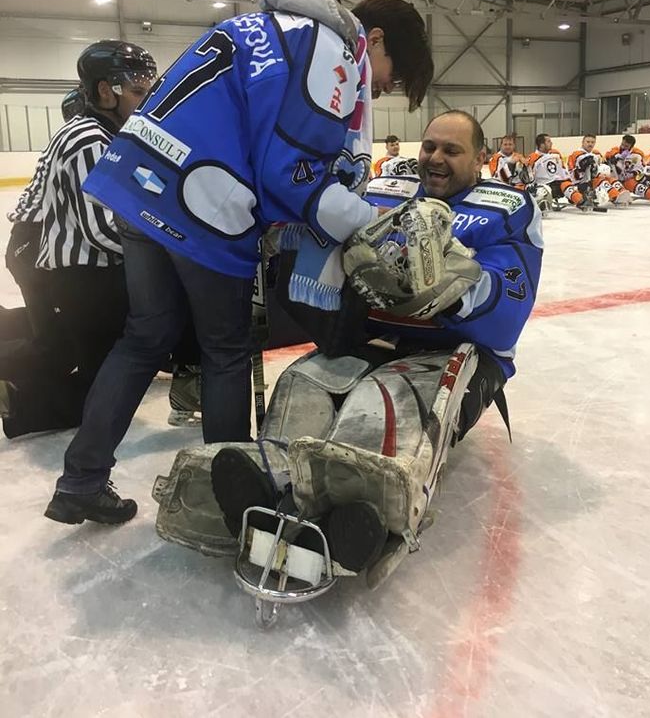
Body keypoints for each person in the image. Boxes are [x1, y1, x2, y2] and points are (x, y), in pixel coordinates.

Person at [45, 0, 434, 527]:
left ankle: (80, 481)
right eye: (395, 79)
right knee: (225, 350)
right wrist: (373, 222)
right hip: (200, 203)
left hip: (141, 186)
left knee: (142, 340)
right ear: (374, 39)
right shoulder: (333, 52)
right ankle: (231, 501)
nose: (384, 90)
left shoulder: (264, 27)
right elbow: (293, 176)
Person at [197, 110, 542, 575]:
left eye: (452, 150)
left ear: (480, 158)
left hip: (458, 350)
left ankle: (361, 518)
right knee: (306, 380)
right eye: (430, 147)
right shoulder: (381, 193)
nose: (435, 158)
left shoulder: (507, 207)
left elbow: (510, 307)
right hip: (376, 335)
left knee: (383, 400)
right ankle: (270, 478)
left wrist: (450, 287)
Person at [2, 46, 157, 438]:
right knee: (89, 371)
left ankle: (18, 399)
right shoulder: (89, 140)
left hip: (78, 271)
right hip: (83, 275)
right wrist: (163, 246)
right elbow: (101, 228)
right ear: (106, 92)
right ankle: (18, 402)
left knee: (81, 356)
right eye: (138, 91)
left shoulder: (101, 134)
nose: (148, 100)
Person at [567, 134, 630, 206]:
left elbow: (598, 168)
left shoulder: (595, 154)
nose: (590, 144)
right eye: (588, 142)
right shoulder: (576, 154)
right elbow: (574, 173)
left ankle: (622, 192)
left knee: (609, 179)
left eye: (592, 142)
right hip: (581, 183)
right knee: (601, 181)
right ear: (583, 142)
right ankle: (615, 196)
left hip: (591, 180)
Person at [527, 133, 586, 208]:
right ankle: (541, 204)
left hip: (558, 184)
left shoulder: (556, 153)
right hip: (544, 185)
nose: (551, 143)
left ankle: (580, 201)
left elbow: (563, 169)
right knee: (542, 191)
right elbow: (529, 176)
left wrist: (569, 180)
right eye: (548, 141)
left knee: (567, 185)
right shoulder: (532, 158)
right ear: (541, 145)